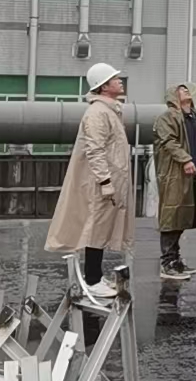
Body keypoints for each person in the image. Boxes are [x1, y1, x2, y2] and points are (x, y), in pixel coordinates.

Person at [45, 61, 134, 300]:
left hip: (110, 180)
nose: (120, 81)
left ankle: (96, 276)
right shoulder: (98, 113)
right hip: (102, 183)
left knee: (102, 228)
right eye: (115, 79)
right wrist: (105, 181)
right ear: (104, 86)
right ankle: (92, 279)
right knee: (97, 228)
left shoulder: (109, 110)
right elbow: (95, 150)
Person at [153, 84, 196, 280]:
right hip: (176, 173)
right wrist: (186, 159)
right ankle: (167, 263)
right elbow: (169, 141)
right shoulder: (168, 117)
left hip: (195, 173)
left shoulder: (195, 118)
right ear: (173, 96)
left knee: (182, 217)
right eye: (181, 89)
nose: (186, 90)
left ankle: (176, 260)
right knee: (172, 216)